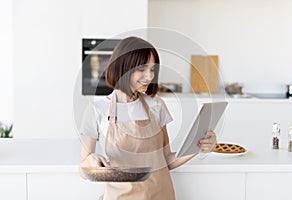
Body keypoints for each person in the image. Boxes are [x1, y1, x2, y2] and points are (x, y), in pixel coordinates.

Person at [79, 36, 217, 200]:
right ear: (123, 67)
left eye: (152, 69)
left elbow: (166, 159)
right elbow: (82, 169)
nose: (150, 76)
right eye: (142, 68)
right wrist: (91, 162)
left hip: (161, 195)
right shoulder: (97, 109)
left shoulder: (156, 105)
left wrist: (199, 145)